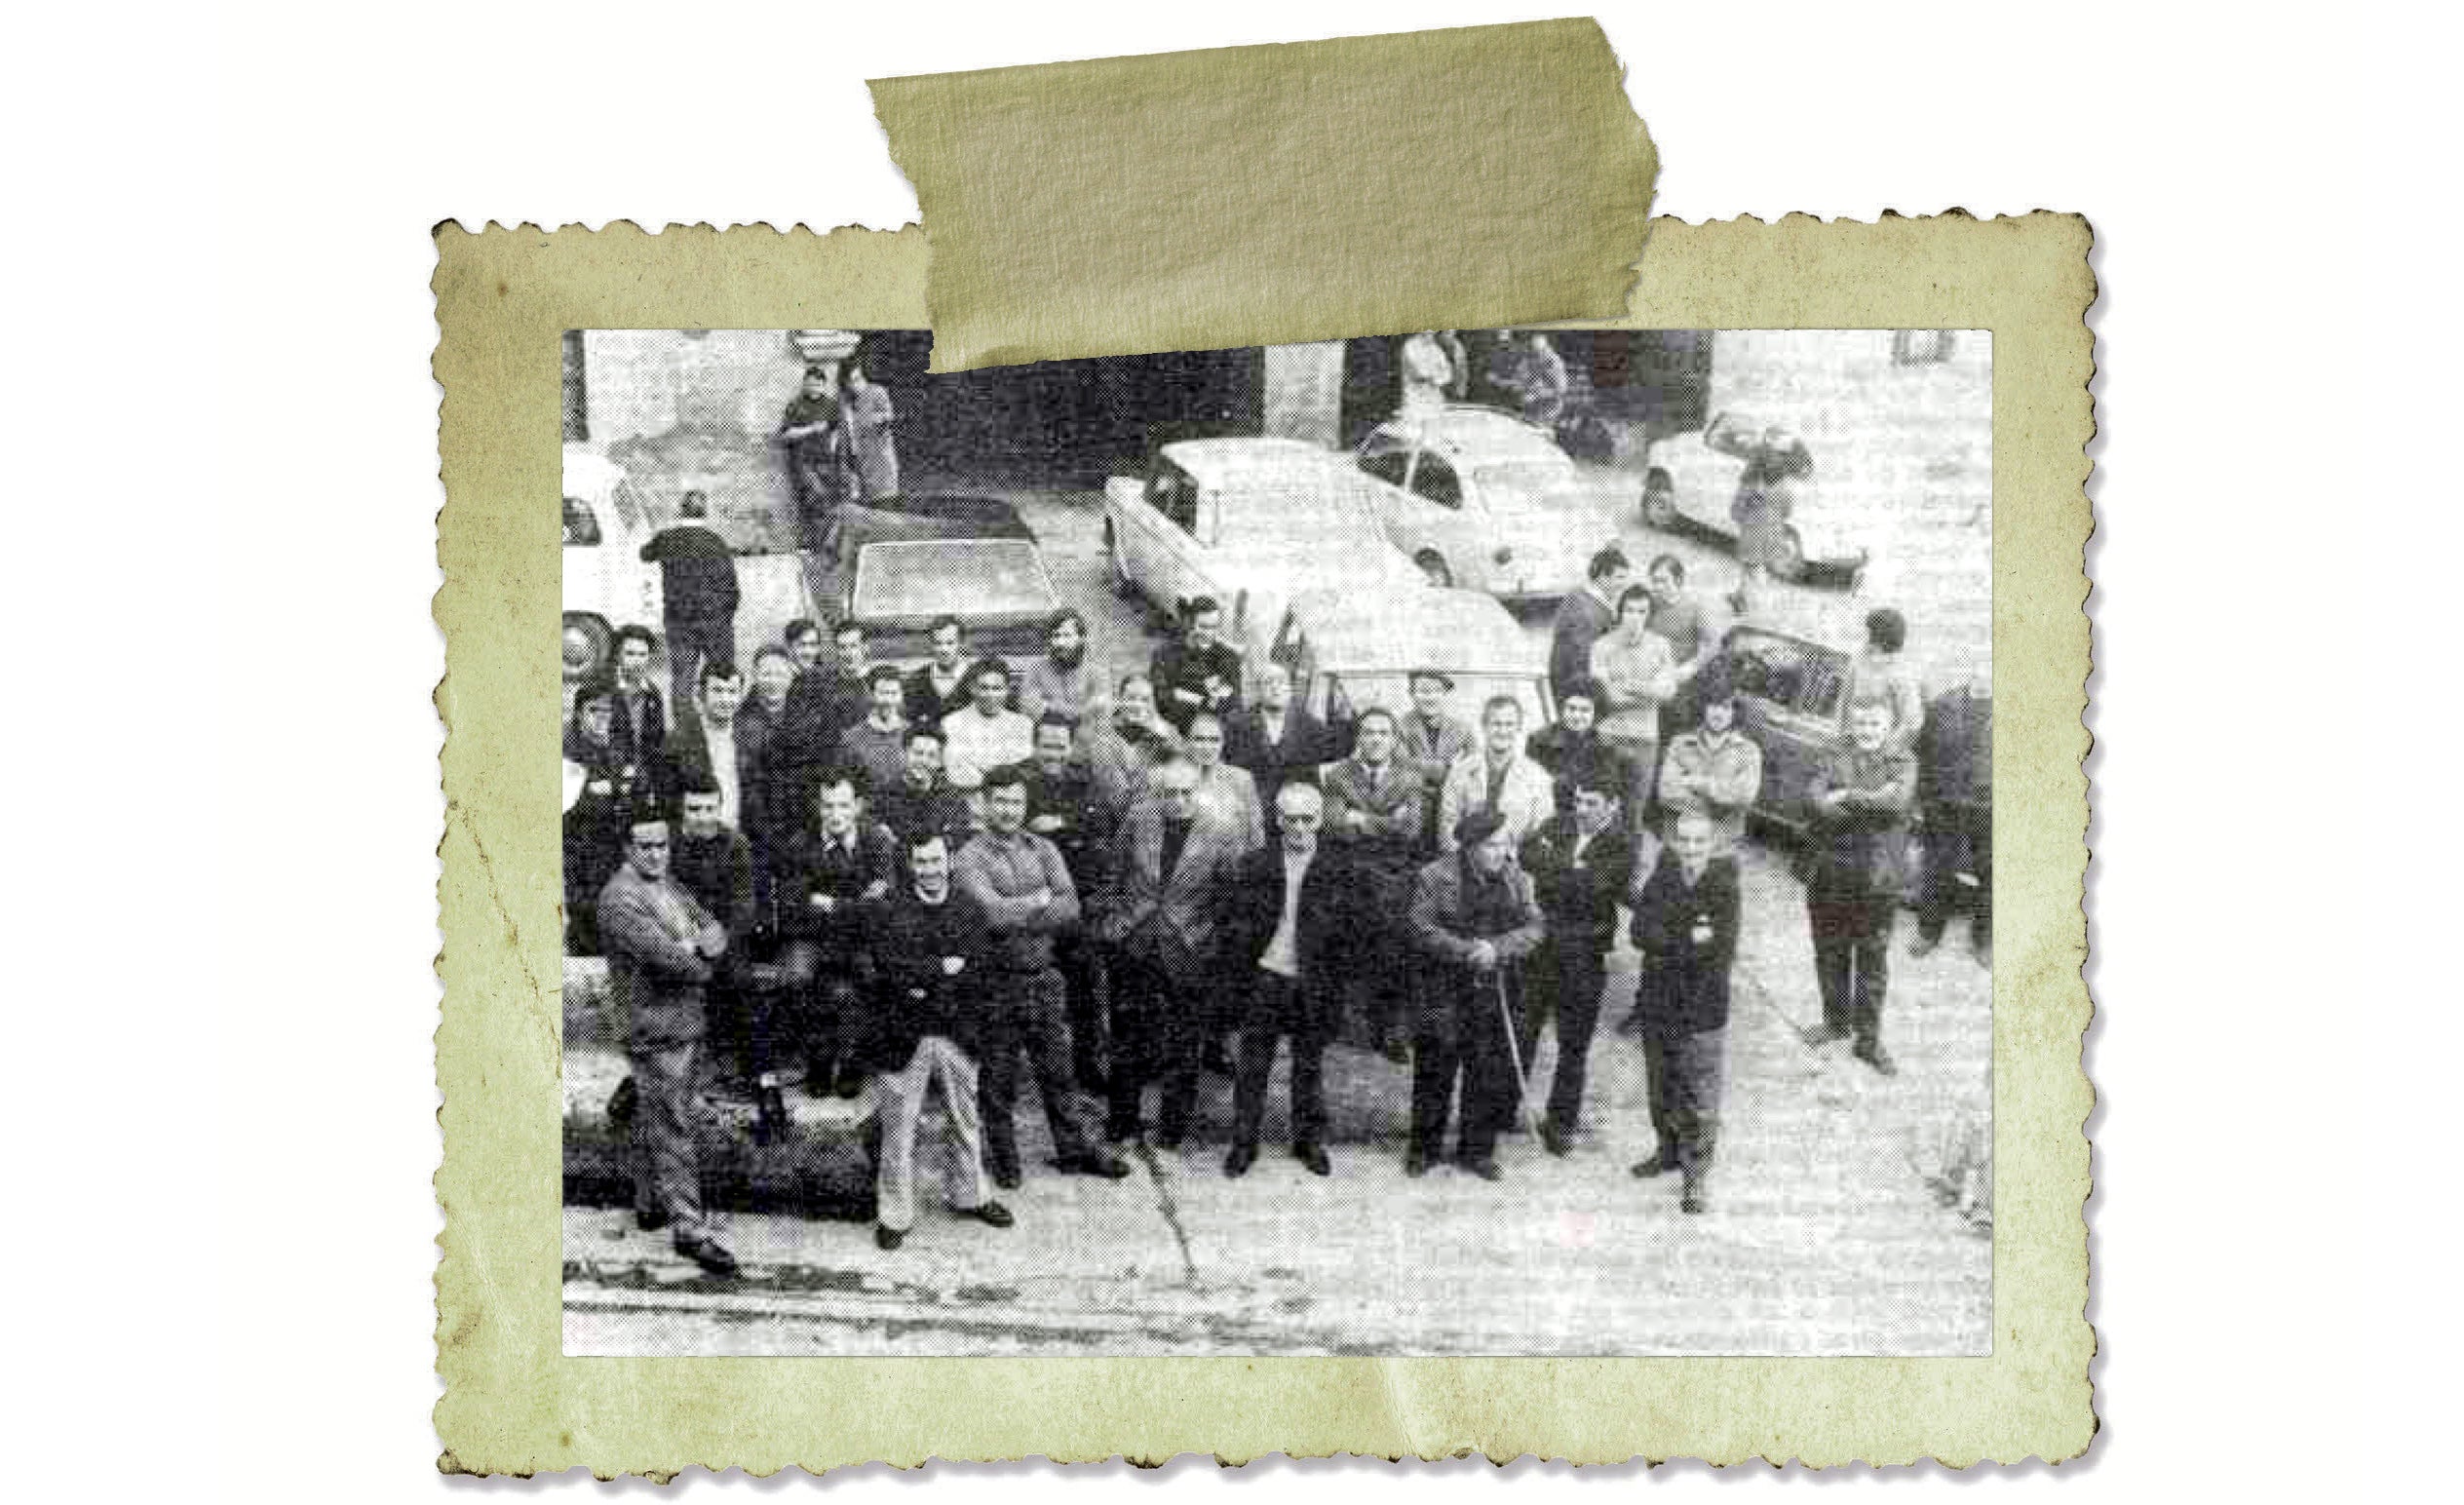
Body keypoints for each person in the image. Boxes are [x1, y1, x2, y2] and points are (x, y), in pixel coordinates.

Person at [955, 765, 1130, 1186]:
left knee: (1059, 1071)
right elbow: (990, 914)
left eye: (1016, 801)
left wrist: (1018, 907)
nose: (1008, 810)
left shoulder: (1045, 849)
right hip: (997, 981)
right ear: (984, 803)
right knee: (999, 1078)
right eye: (999, 801)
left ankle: (1074, 1149)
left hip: (1045, 976)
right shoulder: (968, 857)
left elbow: (1070, 909)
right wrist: (1038, 900)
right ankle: (1004, 1160)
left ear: (1026, 804)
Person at [857, 830, 1012, 1251]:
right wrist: (943, 970)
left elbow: (979, 971)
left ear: (949, 861)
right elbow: (891, 971)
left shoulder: (969, 909)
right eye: (921, 862)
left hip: (957, 1031)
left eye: (936, 860)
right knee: (899, 1128)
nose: (930, 870)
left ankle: (971, 1195)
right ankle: (895, 1214)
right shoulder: (890, 911)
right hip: (904, 1034)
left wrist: (926, 979)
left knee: (965, 1120)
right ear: (910, 865)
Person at [597, 817, 739, 1275]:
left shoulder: (669, 885)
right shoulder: (621, 899)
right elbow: (675, 962)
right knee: (674, 1125)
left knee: (655, 1114)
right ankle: (689, 1230)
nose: (655, 854)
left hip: (683, 1024)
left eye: (661, 845)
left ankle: (649, 1203)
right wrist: (695, 951)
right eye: (644, 846)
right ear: (627, 848)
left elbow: (715, 932)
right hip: (654, 1030)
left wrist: (695, 946)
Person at [1095, 755, 1247, 1149]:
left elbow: (1228, 897)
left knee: (1184, 1042)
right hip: (1136, 939)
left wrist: (1207, 938)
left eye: (1186, 793)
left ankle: (1172, 1127)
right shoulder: (1137, 819)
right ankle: (1121, 1119)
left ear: (1199, 792)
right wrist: (1113, 921)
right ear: (1156, 794)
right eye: (1169, 793)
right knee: (1128, 1036)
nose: (1177, 801)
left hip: (1187, 946)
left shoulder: (1221, 832)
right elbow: (1113, 872)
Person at [1405, 807, 1546, 1180]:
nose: (1503, 852)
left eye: (1506, 844)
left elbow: (1534, 928)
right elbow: (1420, 927)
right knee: (1435, 1067)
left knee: (1486, 1070)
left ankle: (1477, 1150)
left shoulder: (1517, 879)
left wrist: (1498, 949)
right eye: (1493, 845)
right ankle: (1424, 1148)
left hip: (1493, 992)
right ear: (1469, 847)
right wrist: (1468, 952)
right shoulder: (1434, 876)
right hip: (1443, 989)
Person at [1221, 783, 1354, 1177]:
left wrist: (1335, 981)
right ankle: (1244, 1144)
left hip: (1312, 980)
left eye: (1307, 820)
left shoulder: (1338, 869)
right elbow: (1235, 927)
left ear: (1319, 821)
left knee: (1308, 1064)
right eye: (1290, 819)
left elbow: (1353, 932)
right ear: (1277, 820)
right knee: (1253, 1066)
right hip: (1267, 977)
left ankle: (1308, 1141)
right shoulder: (1255, 865)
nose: (1298, 828)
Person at [1628, 811, 1742, 1214]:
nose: (1691, 849)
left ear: (1712, 846)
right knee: (1660, 1085)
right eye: (1685, 841)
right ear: (1674, 844)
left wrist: (1669, 942)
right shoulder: (1661, 880)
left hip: (1702, 1009)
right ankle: (1667, 1151)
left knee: (1699, 1095)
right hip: (1659, 1002)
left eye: (1700, 842)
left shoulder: (1725, 888)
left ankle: (1696, 1176)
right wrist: (1688, 939)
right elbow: (1638, 931)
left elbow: (1721, 951)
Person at [1518, 772, 1636, 1155]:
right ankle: (1501, 1107)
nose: (1581, 810)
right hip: (1539, 948)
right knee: (1524, 1030)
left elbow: (1596, 888)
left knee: (1573, 1044)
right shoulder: (1558, 822)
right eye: (1579, 801)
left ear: (1612, 806)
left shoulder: (1623, 843)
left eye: (1592, 804)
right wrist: (1572, 868)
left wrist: (1555, 866)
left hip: (1584, 956)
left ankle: (1561, 1123)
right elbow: (1525, 852)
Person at [1804, 698, 1917, 1074]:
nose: (1867, 731)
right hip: (1831, 871)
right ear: (1852, 724)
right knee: (1829, 950)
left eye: (1875, 725)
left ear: (1888, 728)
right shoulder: (1834, 753)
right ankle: (1835, 1022)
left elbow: (1896, 804)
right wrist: (1866, 803)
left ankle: (1868, 1040)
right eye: (1861, 724)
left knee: (1872, 958)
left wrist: (1847, 796)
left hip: (1876, 877)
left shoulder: (1903, 762)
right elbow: (1815, 801)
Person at [771, 770, 896, 1098]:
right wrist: (855, 903)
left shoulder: (877, 841)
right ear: (818, 807)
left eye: (843, 805)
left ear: (857, 806)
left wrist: (832, 905)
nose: (835, 815)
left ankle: (853, 1062)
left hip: (860, 937)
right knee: (797, 978)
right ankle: (818, 1061)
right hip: (811, 937)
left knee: (871, 976)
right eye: (828, 806)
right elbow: (793, 905)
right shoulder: (799, 844)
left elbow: (881, 904)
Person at [1318, 707, 1426, 1058]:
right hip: (1348, 876)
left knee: (1393, 951)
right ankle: (1345, 1024)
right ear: (1358, 738)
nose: (1375, 739)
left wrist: (1359, 817)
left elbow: (1410, 831)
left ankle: (1391, 1029)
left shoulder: (1410, 777)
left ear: (1394, 740)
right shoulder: (1337, 775)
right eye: (1368, 732)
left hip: (1394, 878)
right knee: (1346, 948)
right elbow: (1335, 825)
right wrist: (1386, 821)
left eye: (1383, 733)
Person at [1020, 713, 1116, 1091]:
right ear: (1034, 745)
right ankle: (1033, 1069)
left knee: (1086, 985)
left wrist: (1058, 825)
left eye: (1061, 746)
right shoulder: (1019, 780)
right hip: (1031, 902)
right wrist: (1070, 826)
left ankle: (1088, 1065)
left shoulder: (1084, 782)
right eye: (1047, 745)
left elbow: (1100, 826)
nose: (1054, 754)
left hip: (1077, 900)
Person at [669, 770, 760, 1089]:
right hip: (680, 937)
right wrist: (684, 939)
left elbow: (744, 905)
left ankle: (750, 1071)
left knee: (737, 979)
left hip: (725, 937)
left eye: (710, 809)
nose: (703, 818)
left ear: (720, 809)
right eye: (695, 809)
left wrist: (717, 938)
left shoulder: (736, 845)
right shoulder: (669, 846)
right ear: (682, 810)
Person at [1910, 677, 1991, 967]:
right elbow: (1922, 753)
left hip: (1990, 808)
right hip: (1945, 803)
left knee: (1992, 873)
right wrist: (1927, 800)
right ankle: (1928, 932)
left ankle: (1983, 940)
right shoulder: (1943, 705)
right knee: (1937, 868)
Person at [1590, 585, 1678, 839]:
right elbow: (1609, 698)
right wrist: (1649, 692)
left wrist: (1630, 685)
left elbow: (1669, 691)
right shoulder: (1601, 647)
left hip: (1644, 741)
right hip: (1609, 737)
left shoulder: (1661, 646)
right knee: (1601, 809)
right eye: (1629, 610)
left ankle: (1628, 874)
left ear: (1649, 615)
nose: (1635, 617)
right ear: (1620, 612)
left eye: (1642, 611)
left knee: (1634, 814)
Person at [562, 678, 643, 955]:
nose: (601, 718)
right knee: (587, 933)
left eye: (607, 712)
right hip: (583, 860)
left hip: (619, 856)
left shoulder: (619, 752)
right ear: (579, 713)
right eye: (593, 710)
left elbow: (638, 795)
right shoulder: (568, 754)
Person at [640, 490, 741, 710]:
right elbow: (733, 591)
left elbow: (644, 554)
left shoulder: (667, 539)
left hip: (679, 622)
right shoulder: (717, 543)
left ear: (680, 510)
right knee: (722, 678)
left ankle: (685, 731)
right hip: (715, 623)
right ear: (705, 513)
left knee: (682, 680)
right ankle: (720, 723)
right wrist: (724, 618)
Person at [1223, 660, 1334, 840]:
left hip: (1296, 816)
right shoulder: (1237, 725)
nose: (1275, 688)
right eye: (1268, 682)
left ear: (1290, 688)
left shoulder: (1311, 727)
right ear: (1258, 690)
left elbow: (1316, 778)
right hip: (1251, 813)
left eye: (1281, 681)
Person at [1657, 668, 1762, 855]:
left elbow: (1745, 796)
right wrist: (1719, 803)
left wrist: (1698, 783)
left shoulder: (1748, 751)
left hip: (1721, 848)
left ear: (1735, 713)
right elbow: (1666, 792)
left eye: (1726, 707)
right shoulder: (1681, 743)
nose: (1718, 713)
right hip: (1679, 842)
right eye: (1713, 705)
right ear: (1703, 708)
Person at [1717, 420, 1815, 615]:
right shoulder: (1784, 489)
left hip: (1752, 532)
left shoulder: (1752, 485)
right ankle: (1741, 596)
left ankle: (1746, 604)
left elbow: (1737, 508)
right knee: (1757, 567)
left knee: (1750, 569)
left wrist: (1739, 517)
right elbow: (1787, 511)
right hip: (1773, 532)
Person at [1437, 695, 1555, 854]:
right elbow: (1447, 827)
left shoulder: (1538, 777)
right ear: (1484, 726)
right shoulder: (1460, 772)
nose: (1502, 731)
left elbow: (1542, 831)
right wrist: (1464, 864)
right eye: (1496, 724)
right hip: (1466, 864)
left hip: (1517, 865)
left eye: (1509, 724)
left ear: (1519, 727)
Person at [663, 659, 751, 830]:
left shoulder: (753, 738)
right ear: (701, 694)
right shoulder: (678, 742)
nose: (725, 699)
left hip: (742, 841)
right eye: (717, 691)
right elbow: (669, 802)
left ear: (740, 696)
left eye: (732, 691)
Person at [1525, 676, 1632, 819]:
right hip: (1550, 814)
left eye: (1584, 710)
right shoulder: (1540, 741)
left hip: (1588, 816)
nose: (1576, 716)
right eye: (1571, 708)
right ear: (1562, 708)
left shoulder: (1606, 747)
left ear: (1596, 713)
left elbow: (1608, 794)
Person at [1082, 673, 1183, 819]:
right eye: (1131, 698)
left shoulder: (1163, 732)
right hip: (1109, 822)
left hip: (1153, 819)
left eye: (1145, 700)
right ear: (1120, 700)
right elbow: (1118, 799)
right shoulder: (1103, 736)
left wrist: (1162, 734)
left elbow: (1185, 768)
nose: (1137, 705)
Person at [771, 364, 849, 551]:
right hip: (803, 461)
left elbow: (839, 431)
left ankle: (823, 543)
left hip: (826, 462)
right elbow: (785, 435)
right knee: (814, 497)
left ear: (823, 385)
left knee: (828, 501)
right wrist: (810, 429)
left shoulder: (831, 405)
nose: (813, 388)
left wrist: (835, 450)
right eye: (809, 384)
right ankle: (812, 543)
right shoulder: (796, 405)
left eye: (817, 384)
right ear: (804, 384)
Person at [868, 724, 971, 852]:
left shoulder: (953, 798)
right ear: (903, 754)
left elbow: (957, 840)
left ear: (939, 761)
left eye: (931, 755)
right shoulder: (882, 795)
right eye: (918, 753)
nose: (923, 761)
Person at [1150, 597, 1244, 734]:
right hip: (1177, 734)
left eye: (1214, 627)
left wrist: (1185, 695)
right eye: (1203, 627)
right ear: (1190, 623)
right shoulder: (1165, 654)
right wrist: (1208, 700)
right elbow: (1163, 702)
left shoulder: (1229, 657)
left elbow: (1235, 705)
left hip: (1216, 736)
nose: (1208, 634)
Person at [1396, 668, 1477, 829]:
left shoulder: (1462, 729)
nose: (1430, 697)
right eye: (1424, 691)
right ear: (1412, 694)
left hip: (1452, 807)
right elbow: (1400, 763)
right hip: (1410, 807)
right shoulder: (1398, 726)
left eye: (1437, 691)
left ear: (1445, 695)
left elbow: (1475, 763)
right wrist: (1449, 768)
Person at [941, 659, 1035, 791]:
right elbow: (954, 767)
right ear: (972, 688)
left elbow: (1020, 767)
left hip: (1009, 795)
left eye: (997, 688)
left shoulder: (1022, 724)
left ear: (1007, 690)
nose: (990, 695)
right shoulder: (951, 723)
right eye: (983, 688)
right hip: (966, 793)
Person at [1550, 547, 1631, 700]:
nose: (1624, 584)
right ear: (1602, 577)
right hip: (1577, 690)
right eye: (1619, 577)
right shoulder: (1586, 613)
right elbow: (1582, 661)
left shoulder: (1578, 595)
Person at [1844, 607, 1926, 754]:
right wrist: (1840, 735)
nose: (1865, 636)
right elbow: (1845, 700)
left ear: (1880, 638)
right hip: (1851, 743)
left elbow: (1912, 721)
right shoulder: (1858, 661)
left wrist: (1887, 749)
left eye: (1868, 632)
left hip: (1879, 750)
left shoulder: (1901, 674)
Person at [1183, 712, 1265, 855]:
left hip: (1234, 867)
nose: (1207, 747)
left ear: (1223, 742)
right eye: (1199, 739)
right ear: (1188, 742)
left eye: (1214, 740)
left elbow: (1257, 838)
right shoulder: (1177, 780)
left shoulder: (1242, 779)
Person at [835, 664, 912, 796]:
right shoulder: (851, 738)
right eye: (882, 693)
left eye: (894, 693)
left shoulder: (912, 733)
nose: (888, 700)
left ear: (901, 695)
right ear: (870, 695)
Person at [1020, 608, 1104, 727]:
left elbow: (1099, 712)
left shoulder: (1094, 674)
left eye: (1067, 635)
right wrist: (1077, 712)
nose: (1060, 642)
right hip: (1045, 741)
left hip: (1083, 741)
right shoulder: (1036, 669)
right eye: (1056, 635)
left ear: (1081, 638)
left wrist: (1050, 708)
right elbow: (1030, 709)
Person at [905, 616, 985, 731]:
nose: (944, 650)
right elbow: (910, 723)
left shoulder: (978, 677)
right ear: (931, 645)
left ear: (961, 644)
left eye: (950, 643)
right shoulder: (917, 679)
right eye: (938, 643)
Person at [608, 625, 669, 772]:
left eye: (642, 655)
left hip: (643, 776)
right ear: (618, 655)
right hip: (607, 776)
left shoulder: (653, 693)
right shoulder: (601, 690)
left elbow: (657, 743)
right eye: (630, 654)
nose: (637, 662)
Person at [839, 357, 900, 503]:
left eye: (859, 379)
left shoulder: (877, 392)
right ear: (846, 384)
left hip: (879, 461)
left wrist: (877, 419)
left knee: (885, 501)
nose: (857, 384)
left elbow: (888, 415)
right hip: (858, 464)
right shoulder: (845, 401)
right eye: (852, 381)